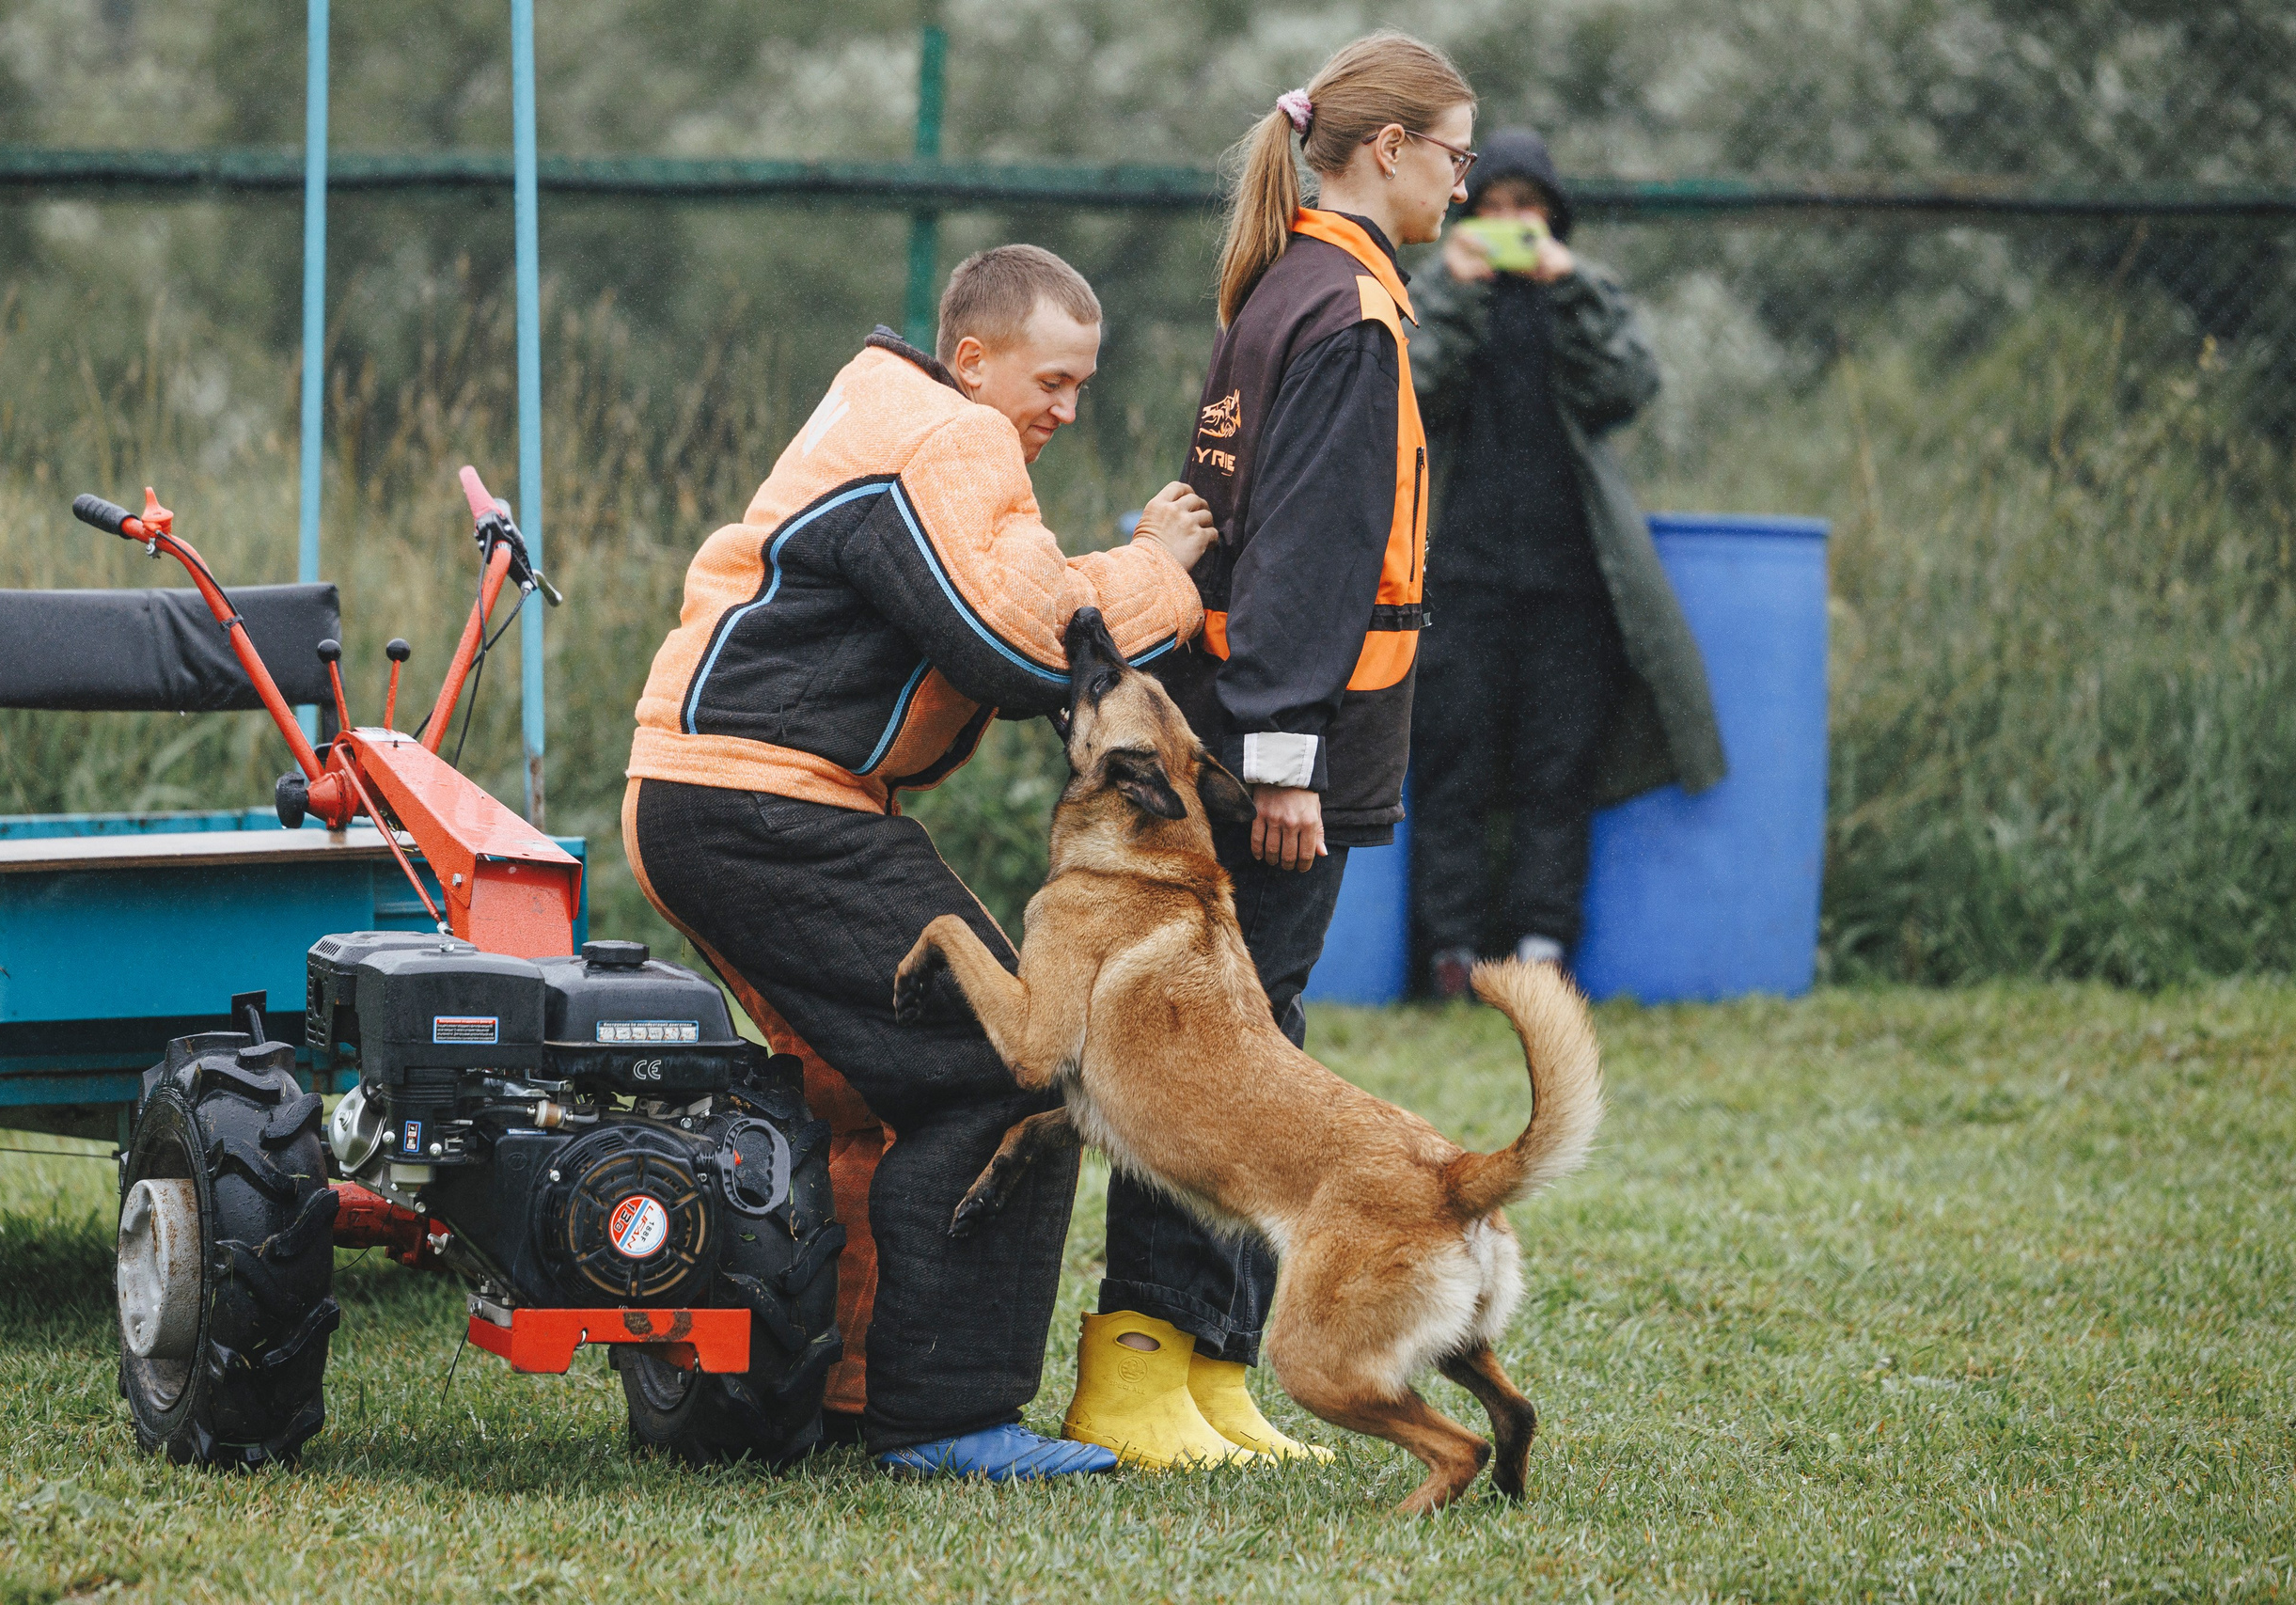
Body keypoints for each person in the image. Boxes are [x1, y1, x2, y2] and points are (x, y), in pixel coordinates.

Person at [624, 244, 1216, 1479]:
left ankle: (839, 1380)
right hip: (767, 804)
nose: (1065, 408)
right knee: (1015, 1062)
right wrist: (1164, 570)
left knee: (860, 1085)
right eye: (1051, 380)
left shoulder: (893, 421)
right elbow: (1017, 637)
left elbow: (1013, 605)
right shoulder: (945, 439)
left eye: (1084, 387)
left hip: (718, 793)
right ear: (974, 358)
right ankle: (943, 1418)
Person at [1062, 32, 1478, 1470]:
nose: (1464, 181)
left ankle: (1209, 1373)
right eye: (1455, 153)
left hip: (1241, 713)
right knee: (1222, 1066)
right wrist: (1292, 759)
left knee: (1243, 1052)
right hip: (1279, 732)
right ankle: (1142, 1373)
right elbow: (1308, 554)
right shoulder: (1348, 311)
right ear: (1385, 150)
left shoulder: (1287, 287)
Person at [1404, 129, 1725, 995]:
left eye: (1527, 210)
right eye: (1494, 208)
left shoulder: (1585, 295)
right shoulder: (1433, 294)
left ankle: (1544, 948)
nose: (1511, 224)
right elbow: (1408, 390)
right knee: (1451, 769)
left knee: (1559, 774)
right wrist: (1456, 289)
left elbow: (1629, 388)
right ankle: (1450, 954)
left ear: (1554, 218)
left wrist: (1571, 286)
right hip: (1458, 581)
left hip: (1573, 586)